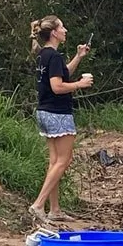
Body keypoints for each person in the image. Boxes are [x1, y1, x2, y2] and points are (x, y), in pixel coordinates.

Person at [28, 15, 93, 223]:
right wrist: (80, 85)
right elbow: (58, 87)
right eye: (62, 27)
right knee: (64, 160)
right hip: (58, 113)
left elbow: (62, 74)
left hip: (44, 112)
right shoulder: (53, 57)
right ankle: (39, 204)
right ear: (54, 32)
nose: (65, 30)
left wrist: (79, 56)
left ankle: (54, 210)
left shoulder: (44, 54)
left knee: (55, 161)